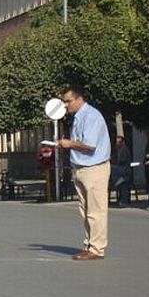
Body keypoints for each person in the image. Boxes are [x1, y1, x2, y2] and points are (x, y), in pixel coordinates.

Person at [56, 86, 111, 261]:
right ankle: (89, 245)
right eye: (64, 102)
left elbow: (89, 145)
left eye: (68, 101)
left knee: (96, 210)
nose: (66, 105)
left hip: (94, 168)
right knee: (85, 210)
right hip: (80, 167)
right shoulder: (78, 117)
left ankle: (96, 248)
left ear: (79, 99)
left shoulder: (91, 116)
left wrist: (69, 143)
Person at [110, 135, 132, 207]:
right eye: (117, 142)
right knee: (120, 186)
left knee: (124, 186)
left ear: (123, 142)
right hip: (119, 172)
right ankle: (121, 200)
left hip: (124, 172)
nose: (117, 143)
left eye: (119, 142)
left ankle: (124, 201)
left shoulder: (125, 150)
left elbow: (123, 160)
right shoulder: (117, 150)